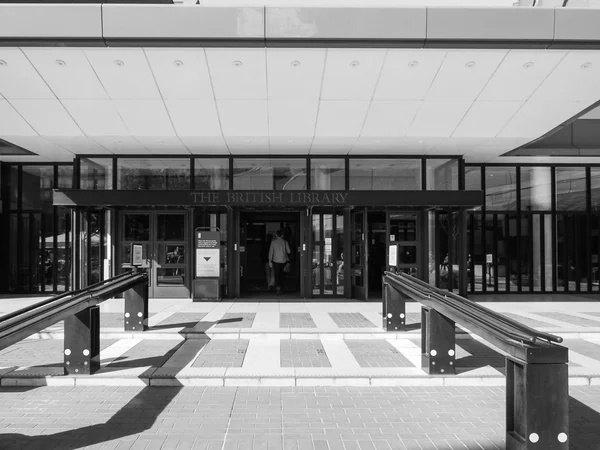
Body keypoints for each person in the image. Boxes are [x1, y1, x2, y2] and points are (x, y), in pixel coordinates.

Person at [268, 229, 291, 295]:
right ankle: (282, 288)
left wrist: (270, 261)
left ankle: (278, 288)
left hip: (275, 261)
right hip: (284, 261)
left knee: (277, 275)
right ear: (282, 235)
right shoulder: (285, 242)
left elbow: (271, 252)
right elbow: (289, 251)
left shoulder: (273, 242)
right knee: (282, 275)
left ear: (276, 235)